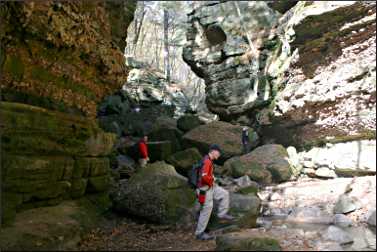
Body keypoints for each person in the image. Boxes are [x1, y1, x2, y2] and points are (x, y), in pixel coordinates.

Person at [195, 144, 234, 241]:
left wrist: (213, 179)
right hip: (204, 188)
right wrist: (212, 180)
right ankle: (199, 233)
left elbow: (206, 175)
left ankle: (222, 214)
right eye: (218, 152)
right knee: (207, 209)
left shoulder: (209, 160)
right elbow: (204, 177)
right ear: (213, 151)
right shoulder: (207, 161)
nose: (219, 155)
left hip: (210, 186)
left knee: (224, 194)